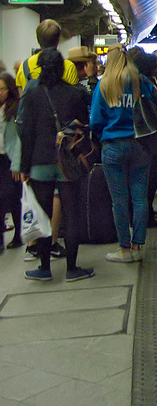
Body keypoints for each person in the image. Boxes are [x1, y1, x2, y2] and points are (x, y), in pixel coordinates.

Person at [17, 48, 93, 281]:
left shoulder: (31, 95)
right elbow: (84, 128)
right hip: (67, 162)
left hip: (40, 161)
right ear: (63, 68)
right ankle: (72, 268)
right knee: (71, 214)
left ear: (39, 67)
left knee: (43, 215)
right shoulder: (76, 93)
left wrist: (24, 166)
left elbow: (26, 132)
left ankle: (44, 268)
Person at [90, 45, 154, 263]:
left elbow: (95, 120)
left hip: (113, 147)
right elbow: (152, 111)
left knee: (119, 200)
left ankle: (124, 250)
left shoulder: (104, 85)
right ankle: (138, 245)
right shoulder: (141, 83)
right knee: (139, 198)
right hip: (140, 145)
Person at [132, 51, 157, 228]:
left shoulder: (120, 84)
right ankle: (144, 219)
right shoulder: (147, 85)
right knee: (147, 182)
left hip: (127, 139)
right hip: (149, 140)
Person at [15, 19, 78, 92]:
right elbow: (73, 98)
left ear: (38, 39)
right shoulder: (69, 67)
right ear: (58, 40)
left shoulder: (24, 66)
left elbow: (22, 97)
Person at [0, 73, 22, 250]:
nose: (0, 92)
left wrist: (17, 163)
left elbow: (18, 140)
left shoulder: (15, 108)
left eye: (2, 89)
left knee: (12, 197)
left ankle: (18, 235)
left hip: (10, 159)